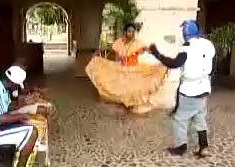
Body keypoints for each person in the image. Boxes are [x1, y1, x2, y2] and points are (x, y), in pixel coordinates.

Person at [149, 19, 215, 158]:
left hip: (189, 90)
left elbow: (173, 63)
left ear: (185, 33)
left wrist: (156, 53)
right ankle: (204, 147)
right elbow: (211, 63)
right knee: (199, 117)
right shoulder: (208, 45)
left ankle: (181, 147)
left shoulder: (186, 48)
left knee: (179, 119)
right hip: (204, 88)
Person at [85, 23, 169, 113]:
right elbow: (109, 48)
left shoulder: (138, 43)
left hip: (135, 70)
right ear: (125, 32)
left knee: (134, 89)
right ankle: (124, 104)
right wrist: (97, 53)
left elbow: (149, 50)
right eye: (129, 31)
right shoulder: (119, 42)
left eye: (133, 32)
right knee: (121, 88)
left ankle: (132, 106)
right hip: (122, 69)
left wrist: (160, 56)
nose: (131, 34)